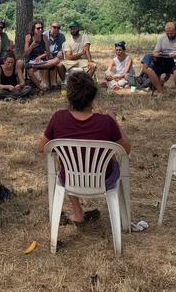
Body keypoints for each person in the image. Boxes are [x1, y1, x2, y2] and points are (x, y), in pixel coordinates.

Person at [37, 72, 130, 224]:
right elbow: (126, 149)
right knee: (109, 155)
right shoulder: (106, 121)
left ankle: (77, 211)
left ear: (69, 96)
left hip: (70, 180)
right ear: (93, 96)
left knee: (65, 160)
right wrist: (114, 121)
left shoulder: (58, 118)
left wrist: (63, 150)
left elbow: (42, 148)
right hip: (104, 180)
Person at [142, 22, 176, 99]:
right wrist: (157, 54)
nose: (170, 35)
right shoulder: (161, 38)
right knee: (149, 69)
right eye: (168, 33)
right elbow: (156, 51)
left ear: (175, 31)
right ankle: (160, 92)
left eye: (172, 33)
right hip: (164, 60)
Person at [24, 19, 52, 90]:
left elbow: (48, 52)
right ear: (33, 29)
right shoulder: (28, 37)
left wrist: (40, 57)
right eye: (38, 28)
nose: (40, 29)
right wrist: (32, 46)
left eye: (42, 28)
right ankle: (41, 87)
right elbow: (26, 53)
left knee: (57, 59)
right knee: (29, 68)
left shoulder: (44, 37)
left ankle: (36, 67)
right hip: (31, 60)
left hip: (42, 60)